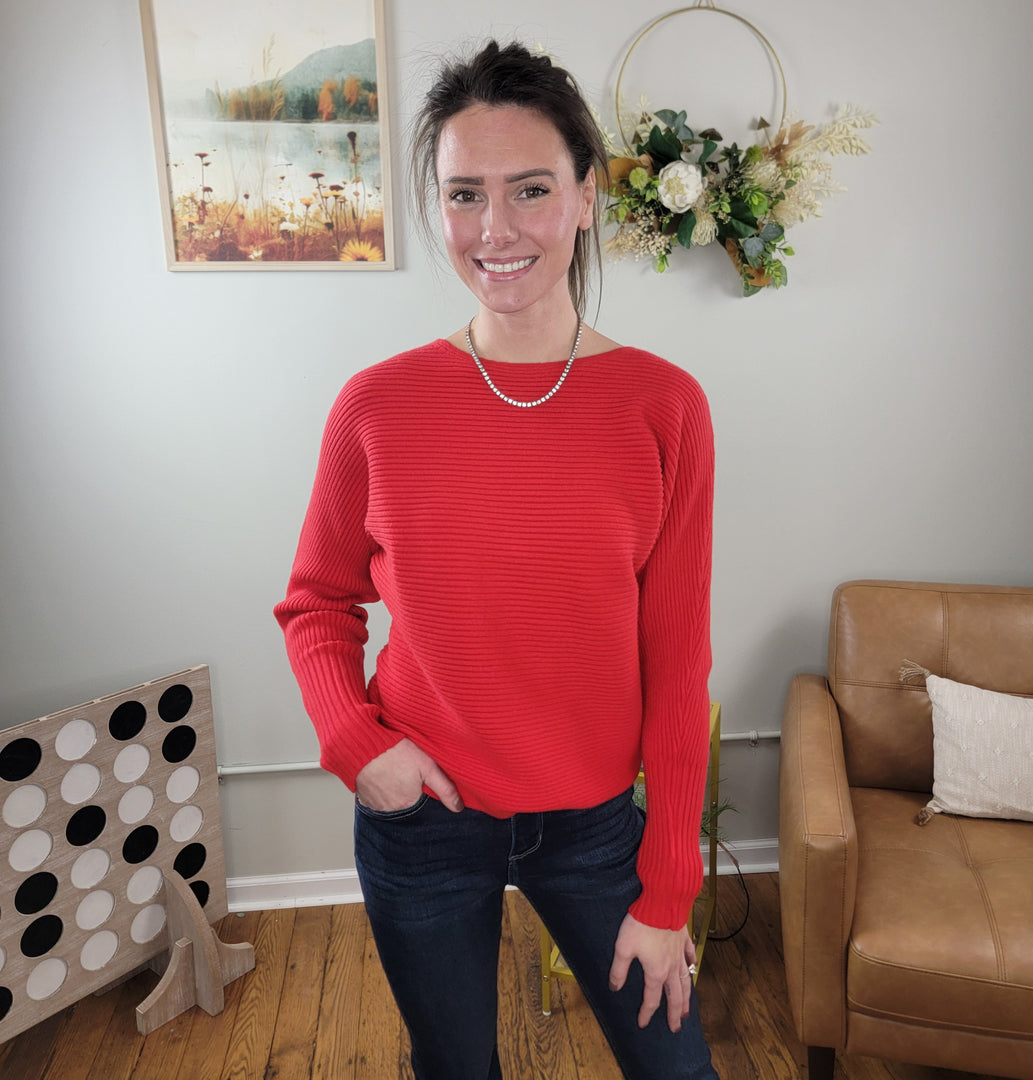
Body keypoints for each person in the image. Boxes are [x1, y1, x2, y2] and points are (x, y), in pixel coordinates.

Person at [274, 40, 718, 1080]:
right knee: (457, 1067)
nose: (496, 229)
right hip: (424, 821)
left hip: (598, 828)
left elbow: (678, 658)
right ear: (437, 207)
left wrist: (668, 894)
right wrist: (354, 739)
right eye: (464, 194)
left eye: (530, 189)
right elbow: (317, 606)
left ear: (587, 198)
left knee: (678, 1070)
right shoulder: (377, 407)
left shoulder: (664, 406)